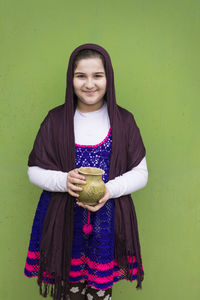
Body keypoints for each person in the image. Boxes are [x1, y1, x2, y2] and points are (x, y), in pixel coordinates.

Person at [24, 43, 148, 300]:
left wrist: (109, 190)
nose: (89, 83)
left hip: (105, 225)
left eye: (97, 76)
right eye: (81, 75)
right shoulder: (55, 120)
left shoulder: (124, 121)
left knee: (100, 294)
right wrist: (63, 180)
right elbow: (34, 170)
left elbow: (141, 173)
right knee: (67, 293)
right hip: (63, 224)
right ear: (71, 79)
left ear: (108, 78)